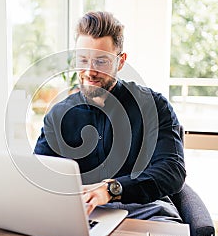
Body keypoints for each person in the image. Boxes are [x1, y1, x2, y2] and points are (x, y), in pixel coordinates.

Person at [34, 11, 186, 222]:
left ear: (120, 62)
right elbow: (41, 175)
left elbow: (172, 171)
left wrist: (111, 189)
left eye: (101, 61)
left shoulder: (154, 106)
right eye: (83, 60)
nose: (89, 71)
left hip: (144, 212)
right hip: (80, 213)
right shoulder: (58, 115)